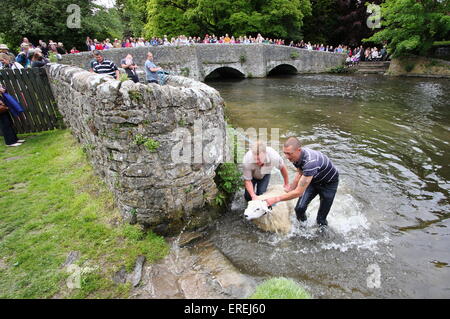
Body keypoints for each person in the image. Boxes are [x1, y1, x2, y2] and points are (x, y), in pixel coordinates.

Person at [264, 137, 339, 227]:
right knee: (299, 209)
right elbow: (300, 172)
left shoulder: (310, 162)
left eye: (289, 153)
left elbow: (298, 193)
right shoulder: (295, 157)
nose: (286, 157)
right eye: (285, 153)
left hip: (329, 184)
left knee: (321, 220)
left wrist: (275, 199)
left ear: (298, 150)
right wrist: (291, 188)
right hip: (313, 180)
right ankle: (303, 227)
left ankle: (321, 237)